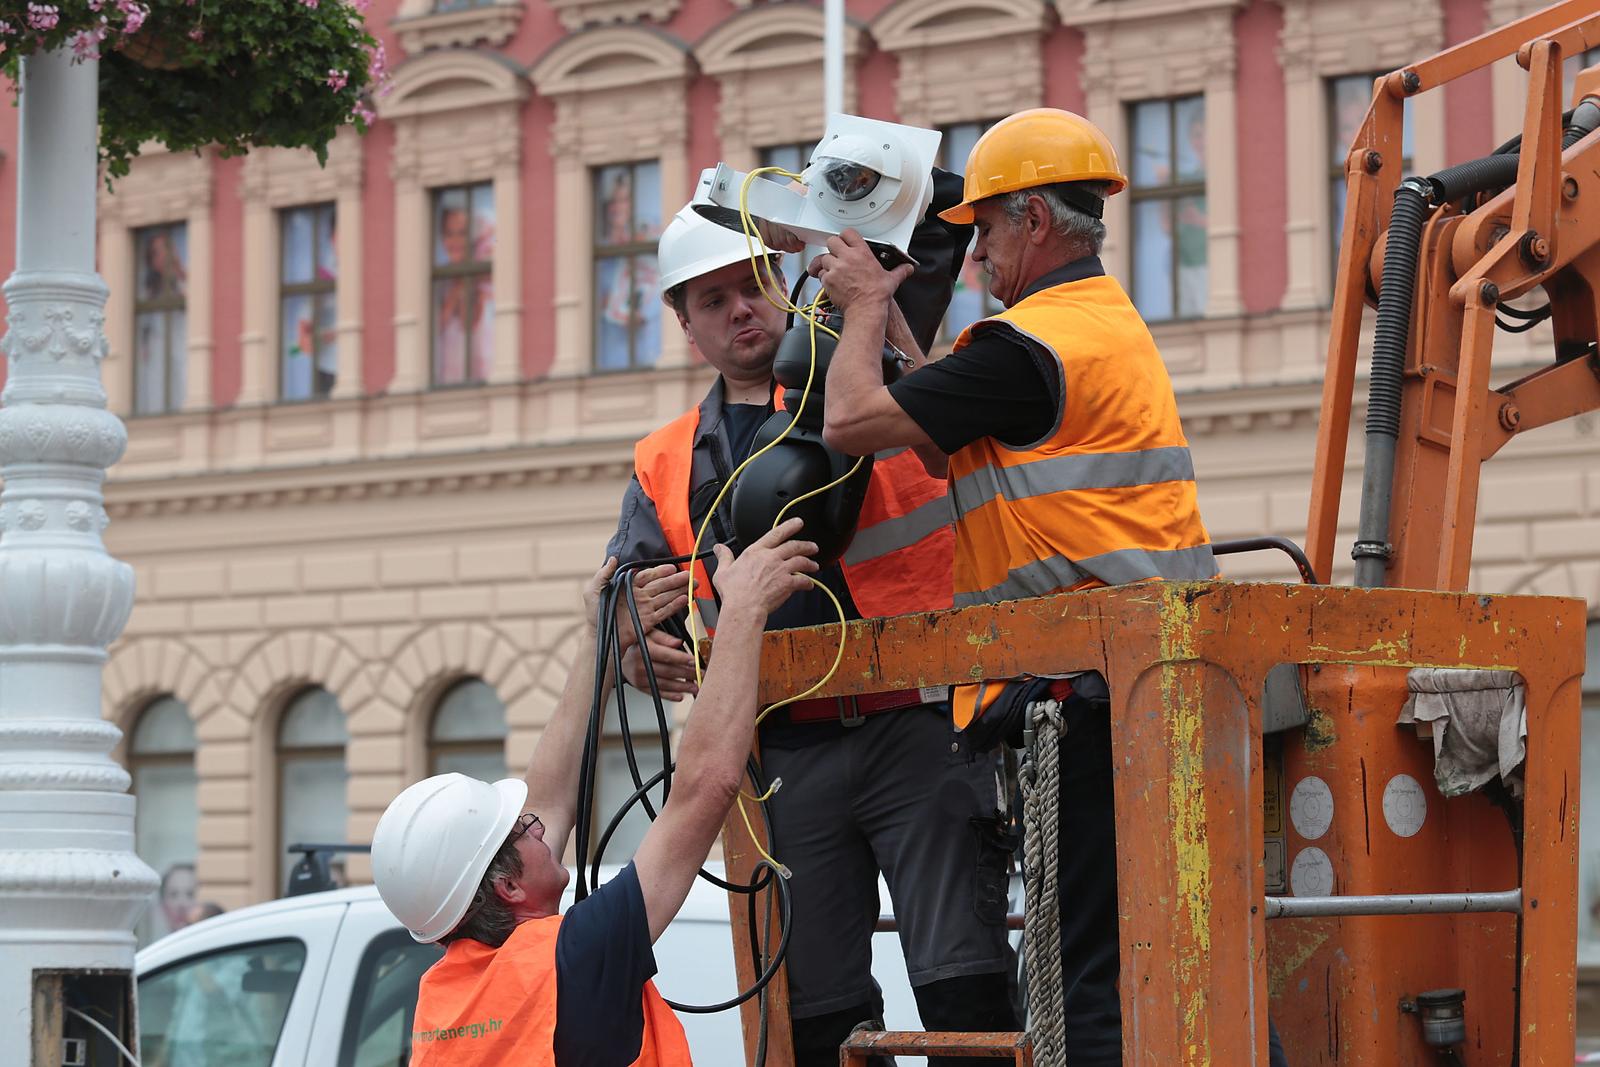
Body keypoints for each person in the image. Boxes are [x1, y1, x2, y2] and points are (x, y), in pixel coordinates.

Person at [809, 108, 1287, 1067]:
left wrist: (861, 306)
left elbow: (853, 421)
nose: (975, 253)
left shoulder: (1030, 346)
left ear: (1032, 219)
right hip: (1159, 689)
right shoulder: (1089, 329)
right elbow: (948, 434)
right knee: (1192, 952)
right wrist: (905, 327)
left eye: (984, 230)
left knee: (1091, 980)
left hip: (1092, 703)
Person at [608, 183, 1019, 1066]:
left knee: (965, 988)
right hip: (782, 759)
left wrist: (818, 201)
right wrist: (638, 643)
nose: (739, 309)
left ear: (784, 277)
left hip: (918, 727)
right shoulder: (664, 460)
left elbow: (937, 198)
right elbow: (627, 616)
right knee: (820, 1018)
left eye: (752, 281)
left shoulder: (869, 377)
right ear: (687, 325)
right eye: (711, 300)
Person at [370, 522, 817, 1066]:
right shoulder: (576, 958)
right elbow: (705, 787)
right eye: (520, 830)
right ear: (508, 885)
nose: (536, 823)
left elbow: (550, 800)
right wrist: (745, 609)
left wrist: (601, 641)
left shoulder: (447, 1003)